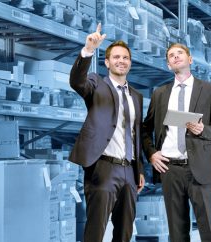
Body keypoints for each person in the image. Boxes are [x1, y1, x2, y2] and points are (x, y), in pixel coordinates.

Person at [68, 23, 145, 242]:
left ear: (130, 63)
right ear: (107, 62)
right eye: (117, 57)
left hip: (129, 171)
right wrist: (88, 50)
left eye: (126, 58)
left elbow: (135, 134)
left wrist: (139, 168)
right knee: (95, 231)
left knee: (124, 232)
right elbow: (76, 81)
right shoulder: (95, 84)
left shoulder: (136, 96)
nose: (122, 61)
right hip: (103, 167)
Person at [141, 43, 211, 242]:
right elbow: (146, 128)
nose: (176, 57)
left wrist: (204, 129)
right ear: (169, 64)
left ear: (190, 59)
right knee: (177, 232)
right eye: (171, 55)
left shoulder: (210, 90)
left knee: (209, 232)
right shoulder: (160, 94)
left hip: (200, 169)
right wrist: (152, 153)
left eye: (180, 53)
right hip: (170, 170)